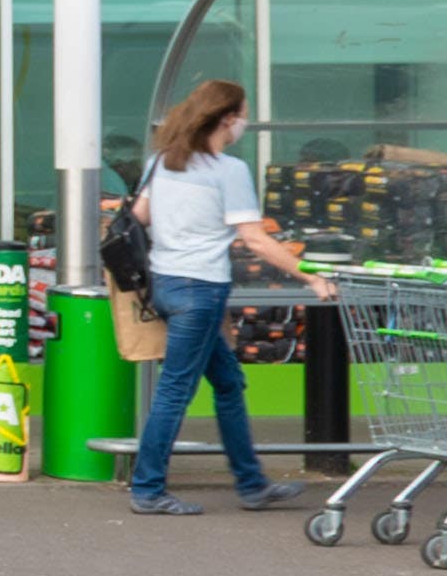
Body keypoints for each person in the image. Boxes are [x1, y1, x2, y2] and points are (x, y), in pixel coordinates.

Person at [126, 77, 314, 515]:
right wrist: (310, 277)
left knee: (228, 382)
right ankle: (148, 490)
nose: (244, 123)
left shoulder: (162, 163)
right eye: (243, 115)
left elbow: (139, 218)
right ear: (228, 118)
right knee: (175, 391)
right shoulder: (229, 171)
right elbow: (256, 239)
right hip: (201, 290)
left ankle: (252, 484)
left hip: (166, 284)